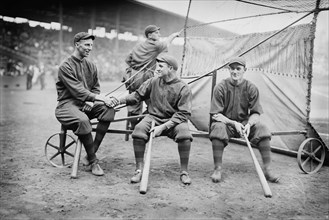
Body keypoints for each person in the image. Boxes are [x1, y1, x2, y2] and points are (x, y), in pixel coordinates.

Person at [111, 54, 193, 185]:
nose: (157, 69)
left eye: (161, 66)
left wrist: (163, 127)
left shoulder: (183, 87)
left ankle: (184, 172)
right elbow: (137, 96)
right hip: (153, 117)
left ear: (171, 68)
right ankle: (139, 170)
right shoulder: (153, 81)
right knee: (138, 131)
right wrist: (118, 101)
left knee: (185, 135)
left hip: (175, 121)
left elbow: (183, 113)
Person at [209, 56, 280, 183]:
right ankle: (217, 169)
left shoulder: (251, 87)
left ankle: (268, 169)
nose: (234, 72)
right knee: (217, 127)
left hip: (244, 126)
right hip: (226, 124)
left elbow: (256, 113)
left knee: (262, 129)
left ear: (244, 70)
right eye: (232, 68)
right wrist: (232, 123)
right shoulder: (221, 87)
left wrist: (249, 124)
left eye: (238, 68)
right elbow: (216, 115)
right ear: (228, 69)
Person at [55, 32, 115, 176]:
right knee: (83, 120)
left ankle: (89, 153)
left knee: (109, 109)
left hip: (85, 103)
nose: (90, 48)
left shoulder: (91, 65)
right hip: (67, 105)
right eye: (87, 45)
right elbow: (78, 90)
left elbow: (95, 88)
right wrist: (96, 98)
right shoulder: (65, 66)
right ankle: (94, 161)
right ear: (77, 45)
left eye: (91, 45)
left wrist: (91, 99)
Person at [123, 25, 182, 130]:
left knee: (133, 103)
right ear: (149, 35)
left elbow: (128, 60)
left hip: (132, 76)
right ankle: (141, 125)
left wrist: (131, 70)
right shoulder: (155, 45)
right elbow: (166, 43)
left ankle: (133, 128)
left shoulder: (138, 45)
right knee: (153, 102)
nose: (159, 34)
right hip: (145, 77)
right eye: (156, 32)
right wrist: (173, 35)